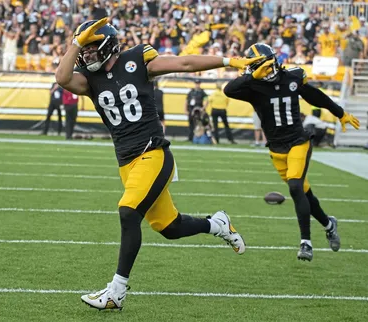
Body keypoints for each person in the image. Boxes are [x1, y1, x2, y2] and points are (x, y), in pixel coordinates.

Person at [55, 18, 261, 310]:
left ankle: (116, 291)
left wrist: (229, 61)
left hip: (153, 152)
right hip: (127, 162)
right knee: (169, 226)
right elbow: (62, 78)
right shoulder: (90, 80)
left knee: (128, 212)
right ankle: (217, 224)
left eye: (90, 50)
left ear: (106, 47)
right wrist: (75, 43)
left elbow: (185, 64)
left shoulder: (137, 60)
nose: (85, 56)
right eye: (83, 52)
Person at [223, 43, 360, 262]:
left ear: (275, 61)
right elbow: (228, 90)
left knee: (295, 185)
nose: (266, 71)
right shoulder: (252, 86)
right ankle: (328, 224)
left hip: (298, 141)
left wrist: (340, 113)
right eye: (259, 67)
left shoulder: (293, 77)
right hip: (276, 149)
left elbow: (315, 96)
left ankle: (305, 242)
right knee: (304, 194)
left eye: (266, 65)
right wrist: (251, 76)